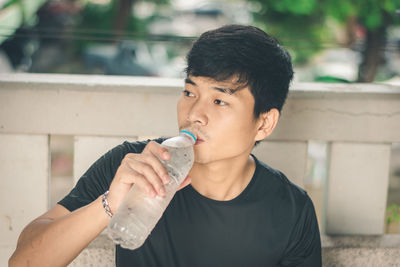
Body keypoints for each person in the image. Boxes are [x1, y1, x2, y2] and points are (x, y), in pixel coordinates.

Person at [9, 24, 321, 267]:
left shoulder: (291, 210)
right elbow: (23, 262)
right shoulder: (133, 165)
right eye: (189, 93)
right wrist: (110, 204)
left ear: (264, 123)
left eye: (219, 100)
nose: (194, 114)